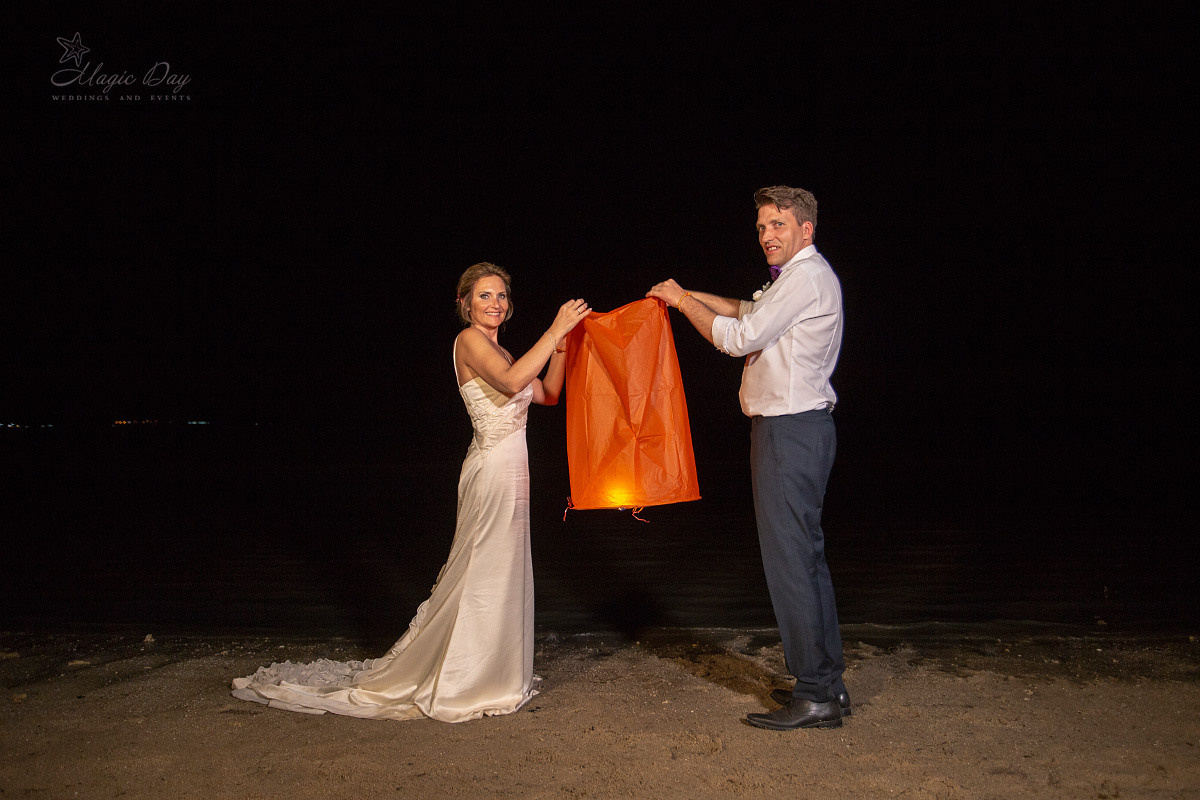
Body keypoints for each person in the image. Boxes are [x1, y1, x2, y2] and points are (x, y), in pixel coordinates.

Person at [231, 262, 590, 722]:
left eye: (501, 295)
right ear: (465, 304)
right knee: (481, 570)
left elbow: (550, 394)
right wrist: (554, 327)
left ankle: (495, 674)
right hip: (491, 468)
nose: (495, 303)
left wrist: (561, 346)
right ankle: (467, 679)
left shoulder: (504, 352)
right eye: (484, 295)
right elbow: (513, 382)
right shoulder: (468, 342)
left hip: (514, 472)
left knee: (504, 570)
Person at [647, 185, 848, 730]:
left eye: (778, 225)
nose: (767, 235)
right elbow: (749, 309)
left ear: (806, 229)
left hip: (789, 432)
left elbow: (739, 336)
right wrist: (687, 293)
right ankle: (827, 685)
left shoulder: (805, 277)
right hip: (799, 431)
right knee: (806, 559)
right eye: (762, 227)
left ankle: (816, 694)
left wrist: (680, 302)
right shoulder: (799, 280)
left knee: (790, 565)